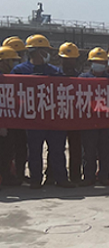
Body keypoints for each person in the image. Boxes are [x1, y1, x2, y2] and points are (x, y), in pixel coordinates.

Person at [12, 35, 73, 189]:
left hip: (53, 118)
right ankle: (35, 179)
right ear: (36, 51)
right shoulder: (20, 71)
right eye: (45, 50)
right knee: (34, 151)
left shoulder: (55, 71)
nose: (48, 54)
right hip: (32, 120)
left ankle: (61, 178)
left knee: (57, 150)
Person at [79, 48, 109, 186]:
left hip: (106, 122)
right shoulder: (83, 79)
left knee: (105, 151)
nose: (99, 64)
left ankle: (104, 176)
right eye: (96, 62)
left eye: (101, 62)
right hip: (89, 122)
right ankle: (89, 177)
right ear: (90, 63)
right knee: (89, 152)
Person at [56, 42, 84, 185]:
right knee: (56, 149)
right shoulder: (53, 76)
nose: (68, 62)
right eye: (66, 59)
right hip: (57, 118)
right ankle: (57, 176)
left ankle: (75, 176)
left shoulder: (81, 78)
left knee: (76, 148)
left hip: (75, 119)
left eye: (71, 59)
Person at [2, 37, 28, 183]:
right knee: (5, 151)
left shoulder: (16, 75)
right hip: (5, 121)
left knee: (18, 149)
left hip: (16, 118)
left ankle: (16, 174)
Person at [0, 44, 22, 188]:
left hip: (8, 122)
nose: (14, 64)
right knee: (3, 153)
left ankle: (7, 176)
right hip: (3, 123)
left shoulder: (9, 78)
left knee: (7, 152)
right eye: (12, 60)